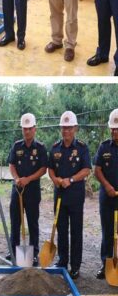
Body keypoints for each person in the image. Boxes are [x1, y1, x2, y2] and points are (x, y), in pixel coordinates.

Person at [47, 111, 91, 279]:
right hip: (59, 196)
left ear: (75, 128)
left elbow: (86, 169)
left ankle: (76, 266)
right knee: (61, 229)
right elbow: (50, 168)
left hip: (75, 196)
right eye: (63, 128)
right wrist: (55, 179)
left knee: (76, 231)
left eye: (69, 128)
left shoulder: (82, 147)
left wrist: (70, 179)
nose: (66, 131)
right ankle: (63, 261)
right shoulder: (55, 147)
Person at [5, 113, 47, 266]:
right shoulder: (17, 146)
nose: (27, 131)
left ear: (34, 129)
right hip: (17, 189)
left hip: (32, 190)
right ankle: (13, 250)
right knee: (15, 220)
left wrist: (28, 179)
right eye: (24, 129)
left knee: (32, 222)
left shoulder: (40, 148)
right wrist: (17, 179)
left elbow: (43, 169)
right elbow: (12, 164)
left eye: (30, 128)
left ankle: (34, 253)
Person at [94, 109, 118, 279]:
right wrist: (108, 186)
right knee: (107, 231)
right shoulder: (104, 147)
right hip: (107, 197)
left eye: (117, 128)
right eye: (112, 128)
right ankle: (106, 264)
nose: (114, 131)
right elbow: (97, 170)